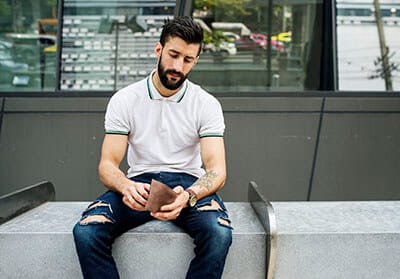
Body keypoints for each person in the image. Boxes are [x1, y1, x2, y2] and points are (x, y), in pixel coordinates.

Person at [72, 16, 232, 279]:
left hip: (188, 185)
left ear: (196, 61)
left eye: (188, 60)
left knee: (219, 233)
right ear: (158, 50)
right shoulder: (125, 99)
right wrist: (126, 186)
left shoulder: (206, 104)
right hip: (139, 184)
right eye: (173, 55)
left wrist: (188, 196)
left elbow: (217, 170)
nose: (178, 66)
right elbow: (107, 165)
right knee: (87, 231)